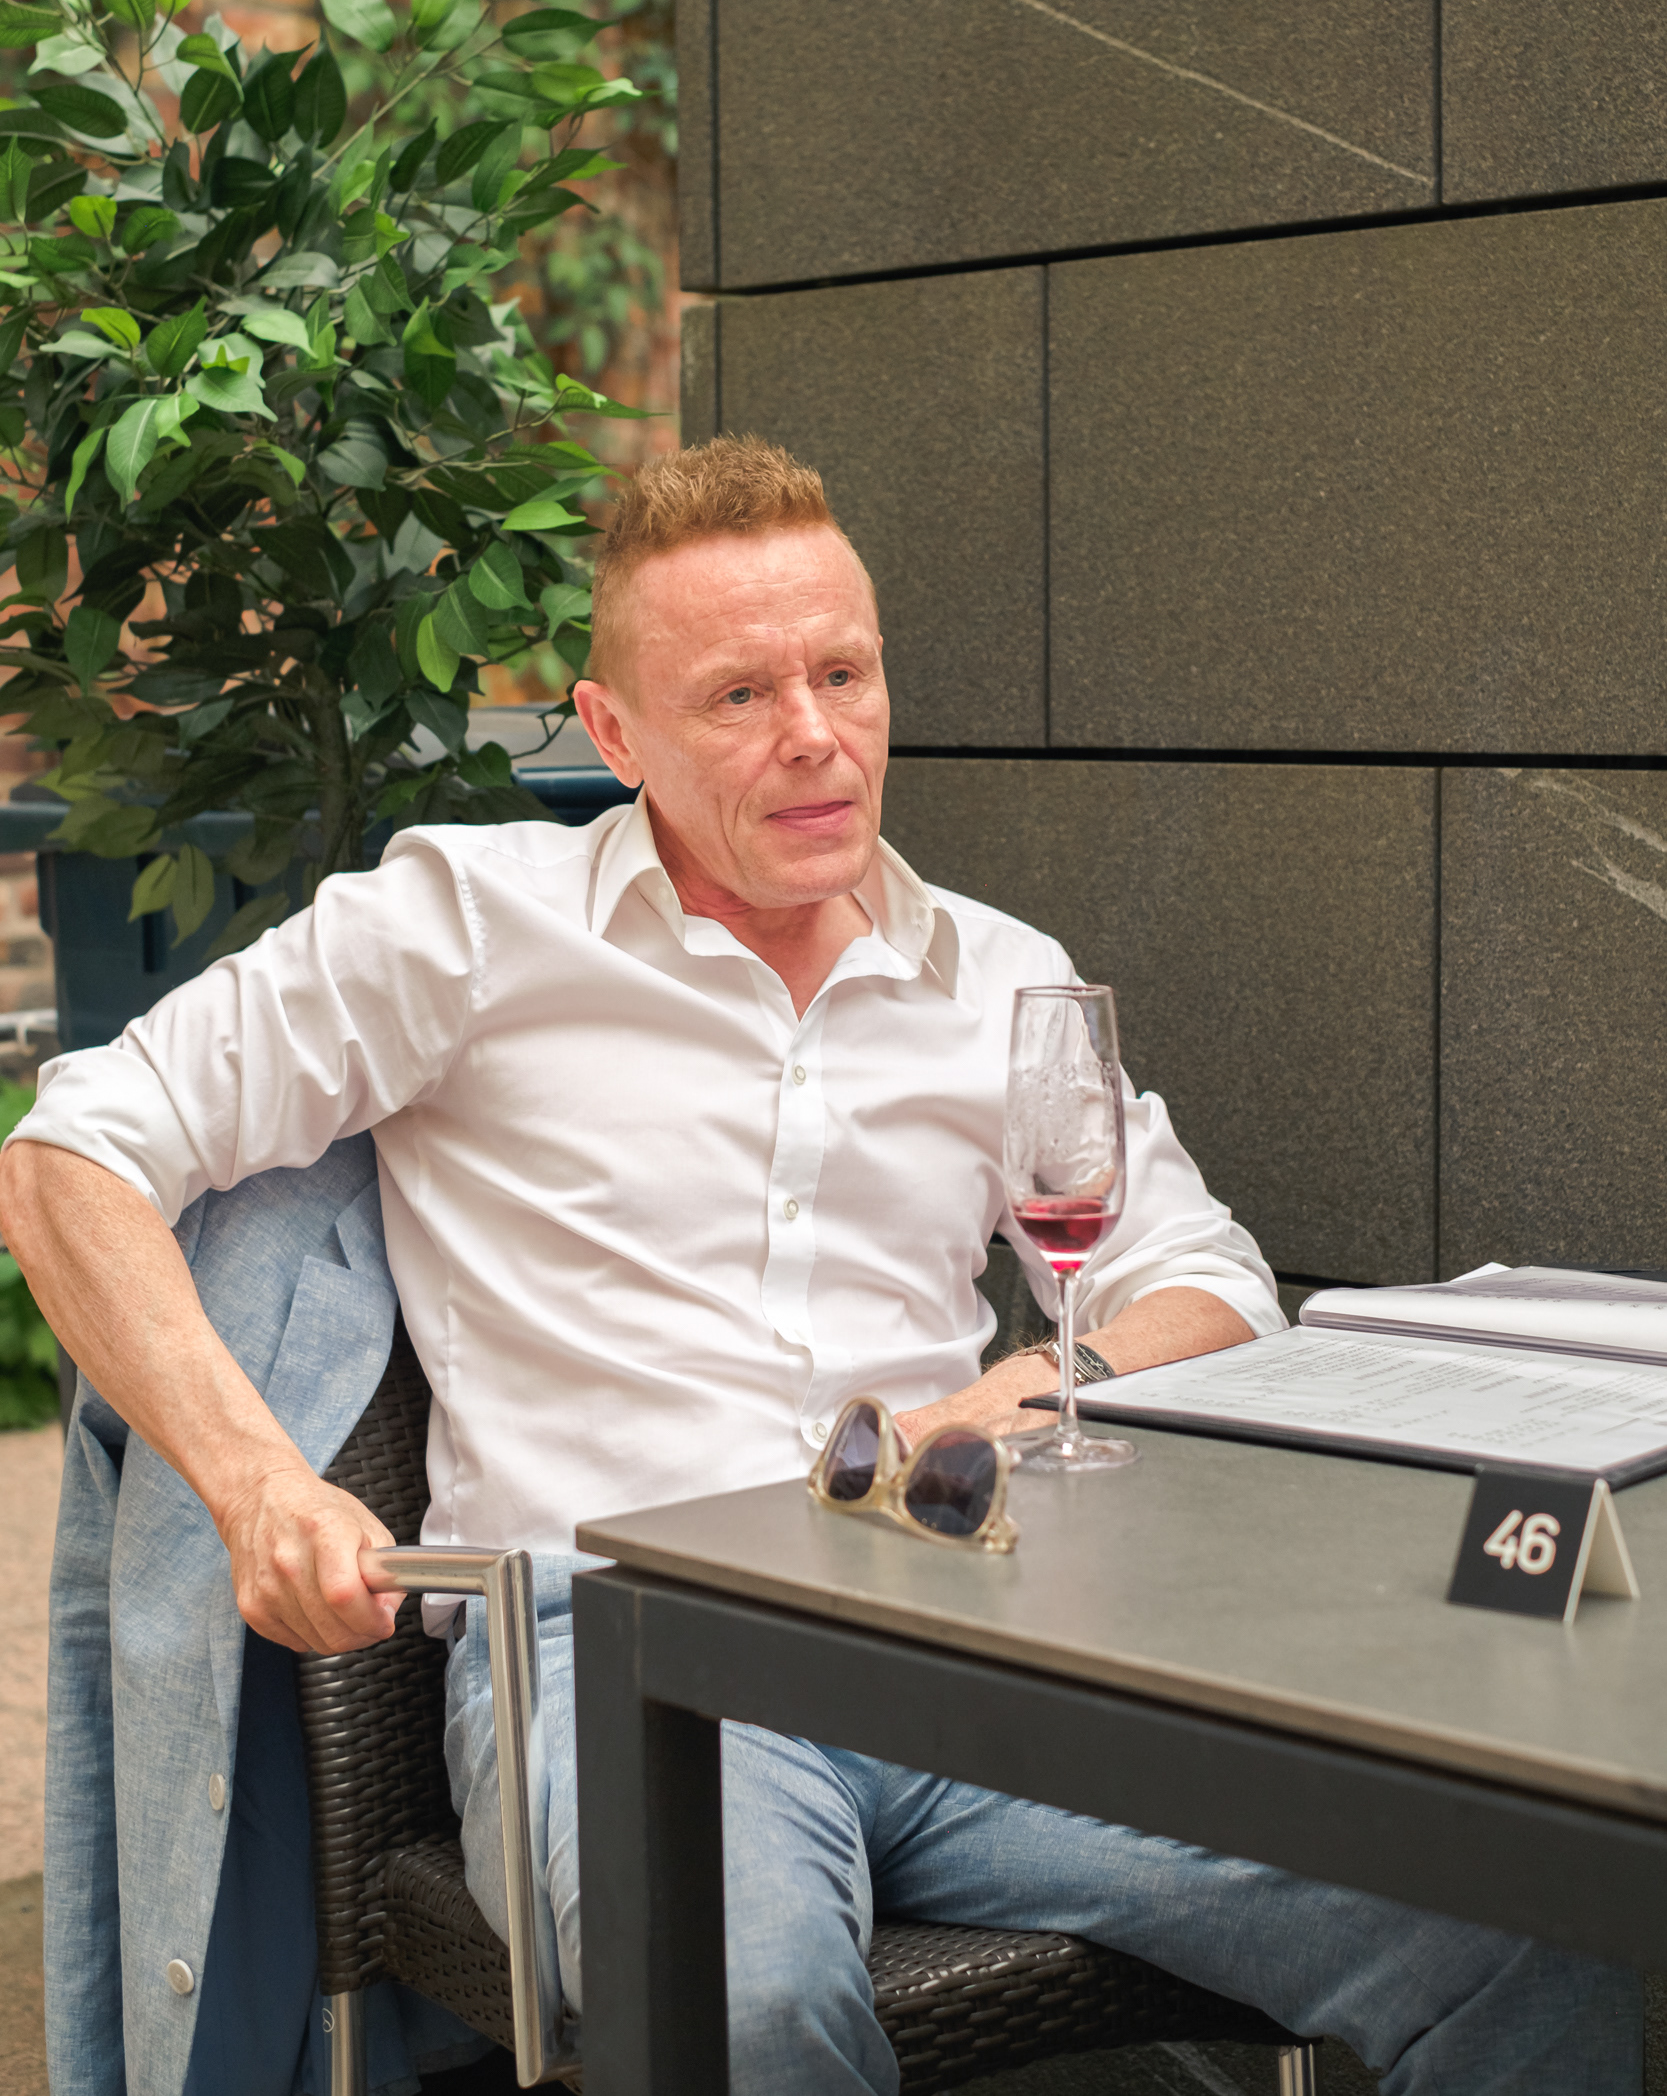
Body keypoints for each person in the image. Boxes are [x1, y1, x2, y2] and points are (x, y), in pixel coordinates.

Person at [1, 440, 1638, 2094]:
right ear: (615, 733)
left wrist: (1038, 1380)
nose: (815, 736)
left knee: (1518, 1928)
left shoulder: (995, 978)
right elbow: (70, 1154)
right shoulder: (465, 928)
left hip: (964, 1644)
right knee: (745, 2009)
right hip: (620, 1661)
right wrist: (257, 1487)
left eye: (843, 674)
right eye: (738, 695)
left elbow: (1207, 1275)